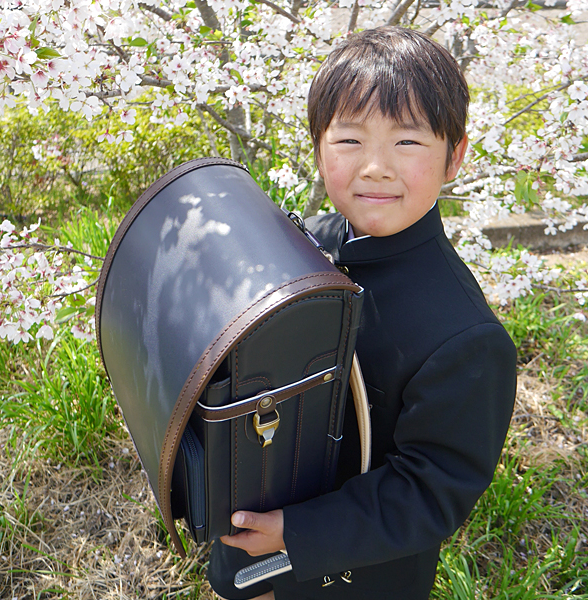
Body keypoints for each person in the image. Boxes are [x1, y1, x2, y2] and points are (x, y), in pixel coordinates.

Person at [207, 26, 517, 600]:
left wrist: (297, 532)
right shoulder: (301, 245)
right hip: (249, 543)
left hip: (355, 577)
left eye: (407, 142)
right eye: (349, 140)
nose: (375, 166)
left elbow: (429, 493)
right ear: (318, 147)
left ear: (456, 155)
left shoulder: (465, 337)